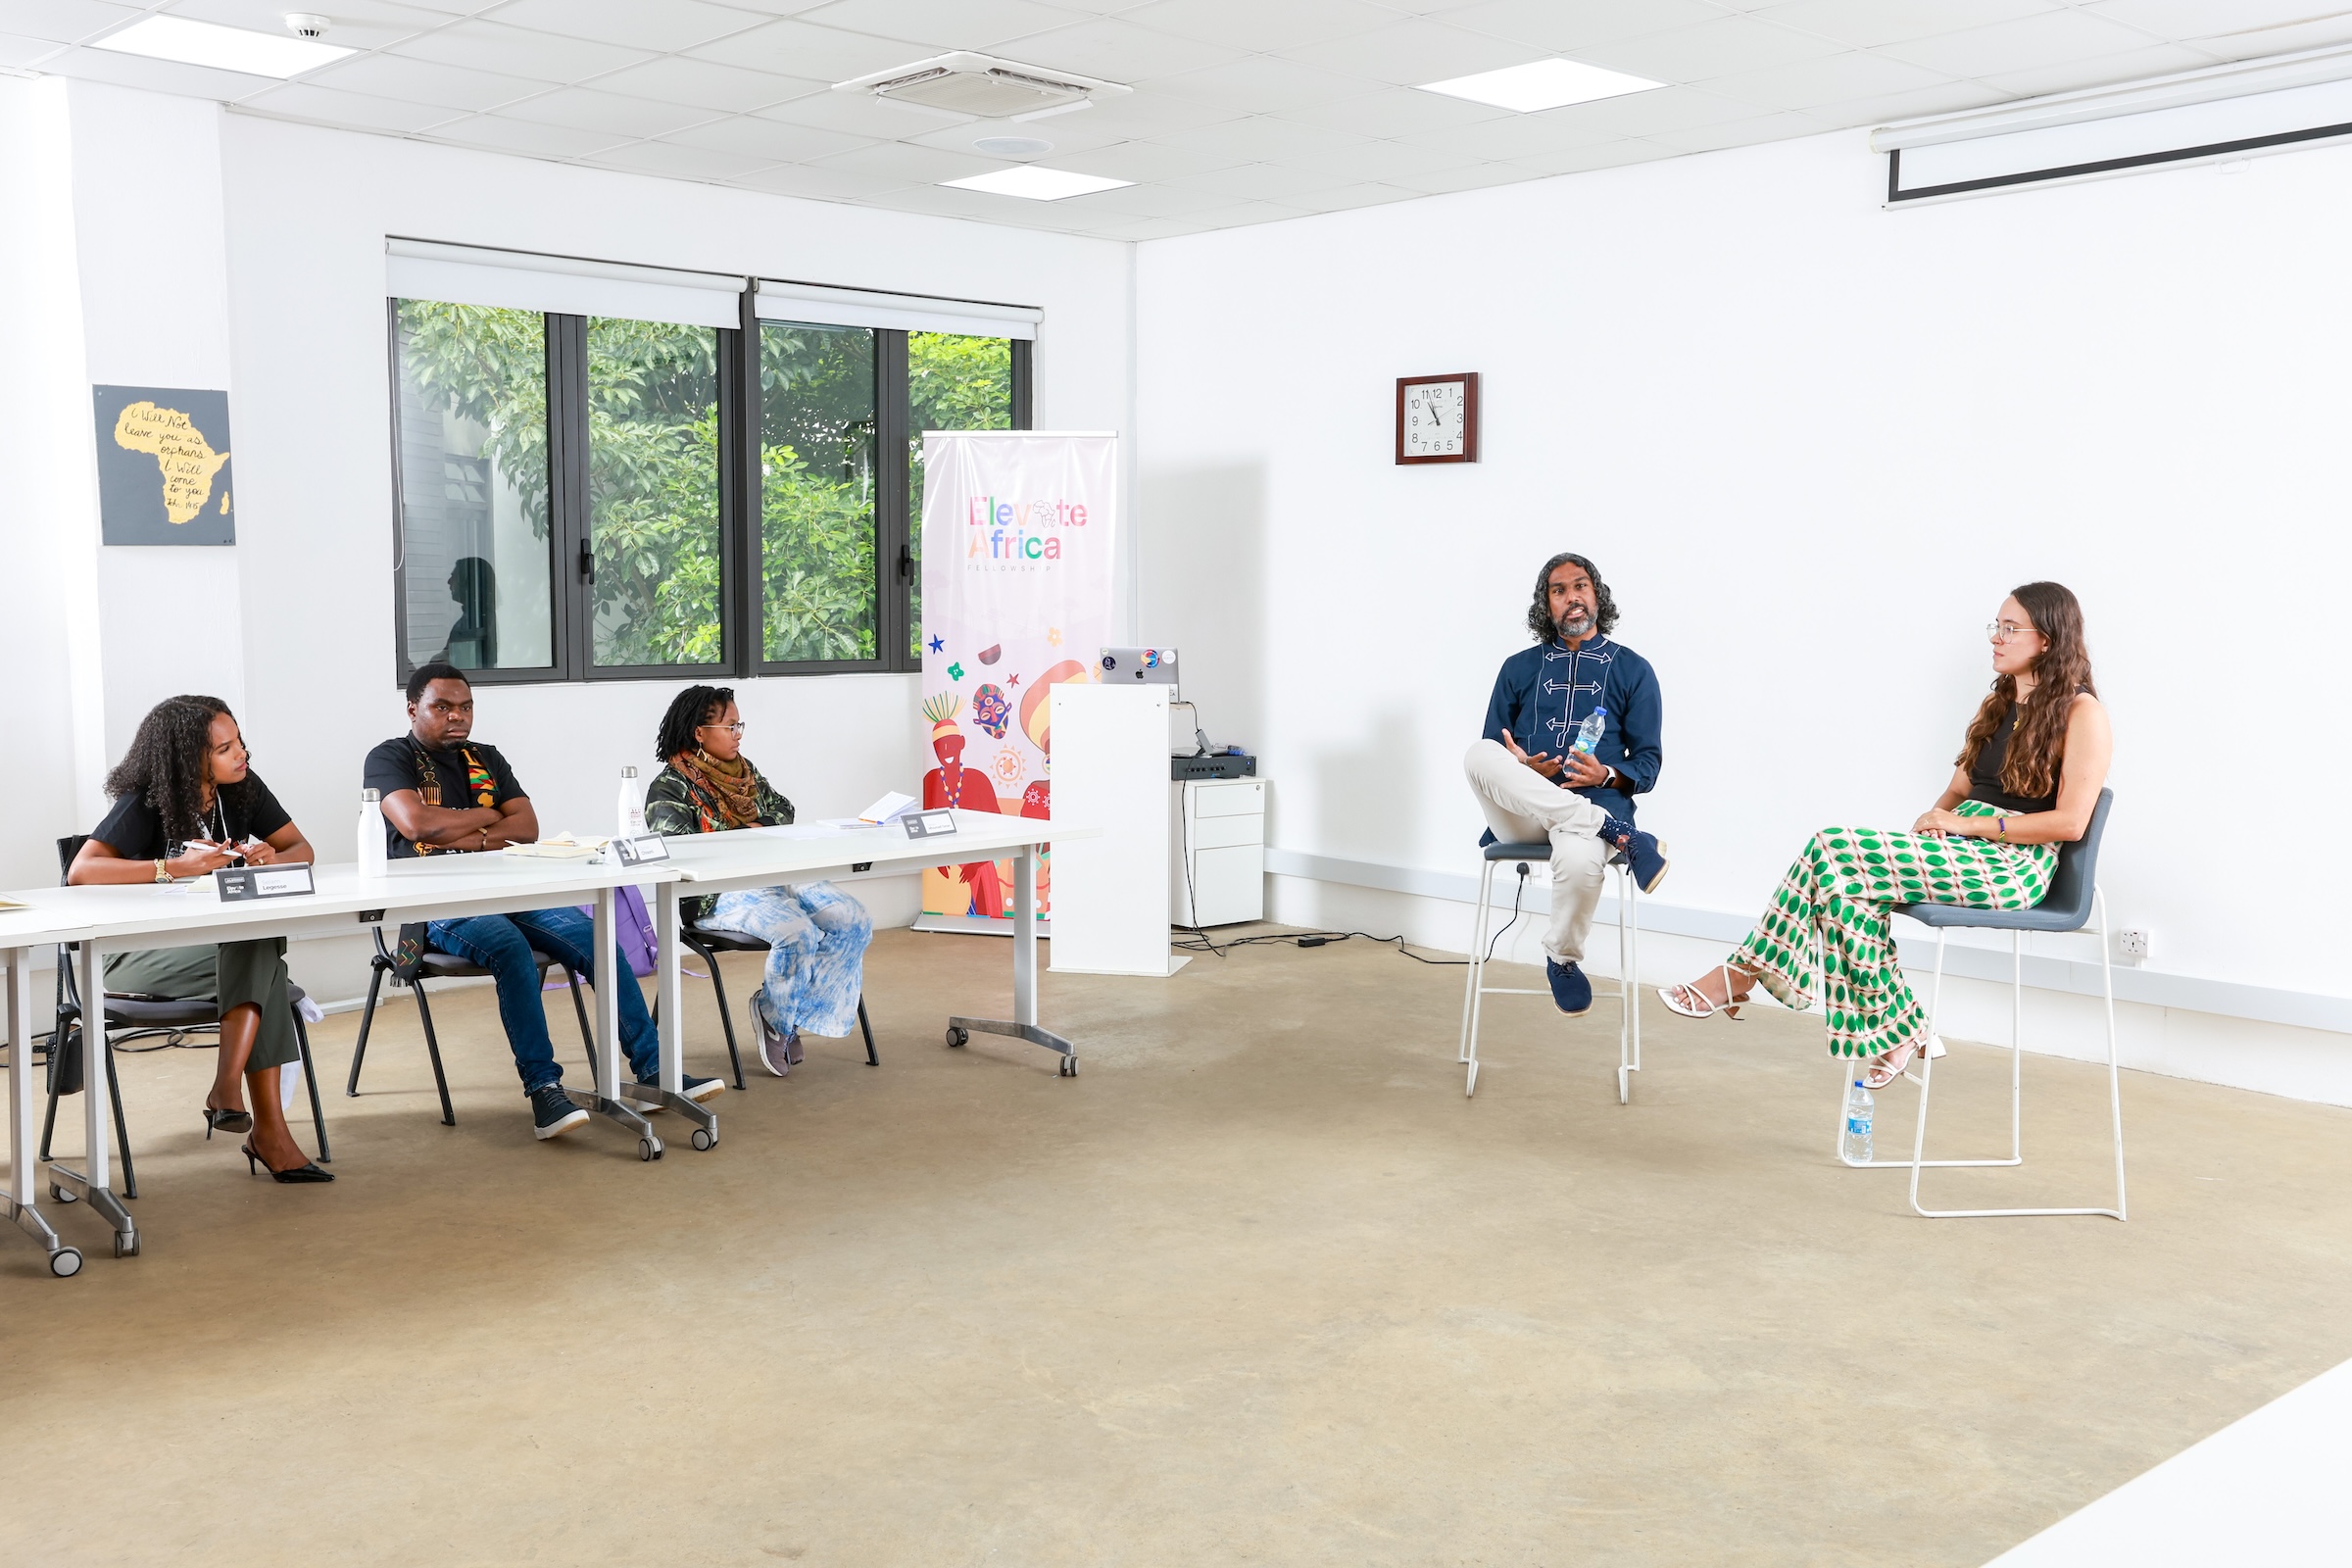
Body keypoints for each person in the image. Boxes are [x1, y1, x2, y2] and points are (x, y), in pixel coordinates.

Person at [1660, 582, 2113, 1090]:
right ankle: (1901, 1031)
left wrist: (1965, 825)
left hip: (2014, 866)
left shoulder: (2083, 713)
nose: (1996, 638)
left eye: (2011, 628)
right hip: (1960, 849)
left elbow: (2070, 823)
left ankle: (1743, 974)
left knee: (1831, 846)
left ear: (2047, 639)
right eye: (1997, 626)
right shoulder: (2001, 702)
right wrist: (1924, 832)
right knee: (1844, 890)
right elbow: (1958, 790)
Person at [363, 662, 722, 1141]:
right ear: (413, 709)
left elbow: (527, 827)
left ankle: (654, 1071)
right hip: (435, 902)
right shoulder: (389, 757)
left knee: (597, 938)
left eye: (465, 707)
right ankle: (544, 1090)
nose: (457, 716)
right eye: (442, 707)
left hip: (511, 890)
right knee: (511, 950)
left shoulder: (486, 757)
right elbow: (416, 825)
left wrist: (464, 831)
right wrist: (490, 818)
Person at [68, 696, 330, 1183]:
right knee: (265, 965)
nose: (241, 754)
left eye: (239, 742)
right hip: (135, 957)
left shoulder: (243, 788)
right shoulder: (148, 800)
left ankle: (231, 1094)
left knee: (257, 946)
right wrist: (174, 868)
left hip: (214, 950)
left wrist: (274, 857)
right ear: (189, 758)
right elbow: (81, 870)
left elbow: (302, 848)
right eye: (224, 749)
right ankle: (259, 1124)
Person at [1462, 553, 1669, 1017]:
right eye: (1559, 590)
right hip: (1522, 814)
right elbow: (1494, 750)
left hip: (1594, 805)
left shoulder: (1633, 670)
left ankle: (1562, 958)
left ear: (1597, 596)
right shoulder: (1517, 668)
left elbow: (1649, 763)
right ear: (1546, 604)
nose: (1571, 597)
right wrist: (1520, 767)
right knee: (1477, 754)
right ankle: (1619, 834)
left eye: (1580, 586)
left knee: (1579, 862)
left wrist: (1607, 774)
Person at [644, 686, 873, 1077]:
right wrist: (751, 834)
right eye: (730, 726)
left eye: (740, 725)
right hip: (715, 892)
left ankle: (781, 1012)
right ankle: (777, 1020)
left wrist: (750, 830)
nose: (738, 734)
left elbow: (784, 809)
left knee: (853, 918)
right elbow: (680, 848)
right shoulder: (669, 787)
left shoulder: (745, 772)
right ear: (699, 733)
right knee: (797, 931)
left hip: (775, 874)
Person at [918, 692, 1004, 918]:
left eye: (951, 744)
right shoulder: (931, 780)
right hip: (944, 867)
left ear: (962, 743)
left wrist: (975, 864)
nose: (946, 751)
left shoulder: (978, 779)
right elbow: (923, 825)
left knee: (985, 912)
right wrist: (936, 860)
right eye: (940, 746)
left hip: (980, 865)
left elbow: (999, 826)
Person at [436, 556, 498, 668]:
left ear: (466, 582)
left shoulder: (477, 622)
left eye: (454, 576)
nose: (449, 582)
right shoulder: (473, 619)